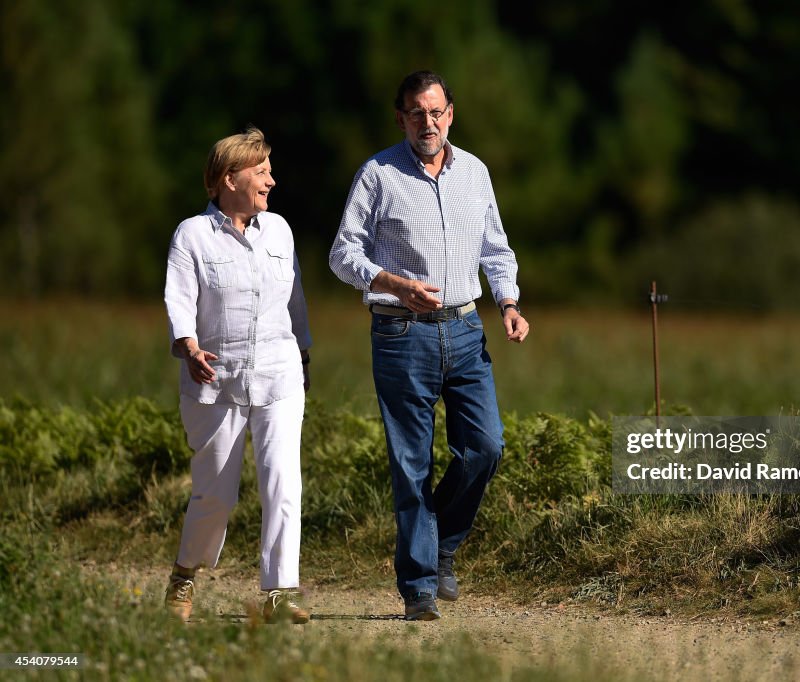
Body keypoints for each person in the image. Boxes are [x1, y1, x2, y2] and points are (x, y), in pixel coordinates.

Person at [329, 70, 530, 621]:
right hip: (400, 333)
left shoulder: (476, 173)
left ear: (451, 115)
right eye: (417, 113)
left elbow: (496, 248)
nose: (428, 122)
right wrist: (392, 283)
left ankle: (438, 544)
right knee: (411, 462)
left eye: (436, 111)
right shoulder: (377, 175)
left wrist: (508, 304)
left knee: (487, 445)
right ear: (401, 118)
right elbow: (342, 256)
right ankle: (418, 585)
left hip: (466, 330)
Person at [163, 126, 313, 624]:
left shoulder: (280, 231)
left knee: (282, 481)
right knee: (215, 496)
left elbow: (295, 302)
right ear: (230, 177)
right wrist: (187, 345)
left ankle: (278, 593)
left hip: (279, 376)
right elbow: (179, 299)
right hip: (216, 383)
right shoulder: (192, 235)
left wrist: (305, 355)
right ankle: (185, 575)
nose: (272, 180)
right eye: (262, 170)